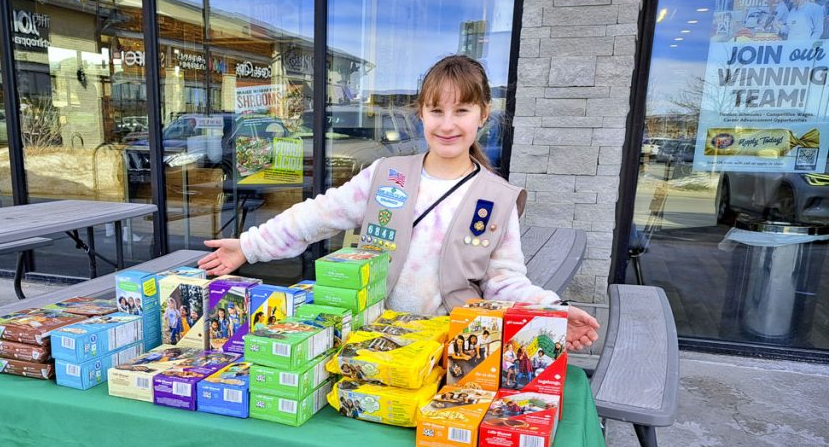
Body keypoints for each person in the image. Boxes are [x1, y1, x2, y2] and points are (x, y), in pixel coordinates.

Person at [198, 54, 599, 352]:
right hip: (368, 337)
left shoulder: (497, 198)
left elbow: (505, 280)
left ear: (483, 115)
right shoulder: (386, 174)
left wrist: (555, 309)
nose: (447, 124)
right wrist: (249, 246)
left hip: (446, 347)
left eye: (461, 110)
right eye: (436, 110)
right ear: (420, 113)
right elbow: (318, 215)